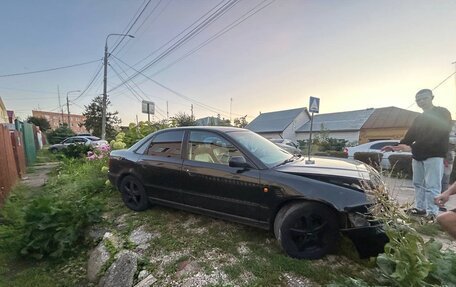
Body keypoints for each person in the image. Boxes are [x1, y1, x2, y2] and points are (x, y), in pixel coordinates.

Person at [382, 89, 452, 219]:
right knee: (418, 183)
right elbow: (410, 135)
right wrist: (395, 147)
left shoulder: (442, 113)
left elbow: (439, 133)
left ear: (432, 97)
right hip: (418, 155)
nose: (421, 102)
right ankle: (420, 208)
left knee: (432, 185)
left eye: (424, 98)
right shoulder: (419, 118)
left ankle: (432, 213)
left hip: (434, 155)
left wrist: (412, 147)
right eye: (418, 100)